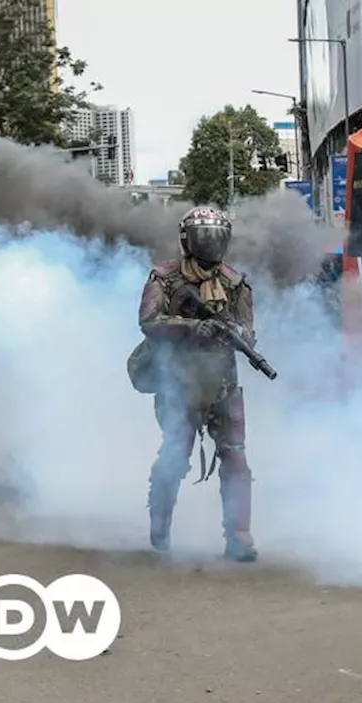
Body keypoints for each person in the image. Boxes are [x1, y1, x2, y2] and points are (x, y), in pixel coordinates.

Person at [136, 206, 259, 561]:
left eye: (217, 236)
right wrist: (191, 328)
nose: (211, 245)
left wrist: (235, 332)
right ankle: (160, 528)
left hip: (223, 380)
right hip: (179, 379)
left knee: (235, 457)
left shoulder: (235, 283)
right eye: (204, 237)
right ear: (187, 240)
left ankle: (239, 536)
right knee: (175, 454)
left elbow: (249, 329)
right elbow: (149, 320)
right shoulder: (164, 279)